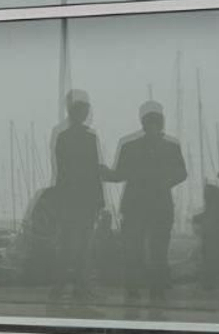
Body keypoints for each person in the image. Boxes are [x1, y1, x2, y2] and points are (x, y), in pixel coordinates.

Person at [107, 101, 187, 306]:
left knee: (135, 249)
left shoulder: (129, 146)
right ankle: (156, 290)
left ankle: (134, 290)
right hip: (159, 205)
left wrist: (100, 172)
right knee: (157, 250)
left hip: (135, 205)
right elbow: (181, 174)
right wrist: (163, 182)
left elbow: (118, 175)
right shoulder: (172, 146)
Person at [49, 90, 104, 304]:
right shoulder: (89, 138)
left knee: (67, 243)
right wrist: (99, 200)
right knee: (82, 245)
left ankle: (60, 286)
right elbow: (94, 171)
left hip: (69, 198)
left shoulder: (62, 137)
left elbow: (61, 171)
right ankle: (79, 287)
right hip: (85, 199)